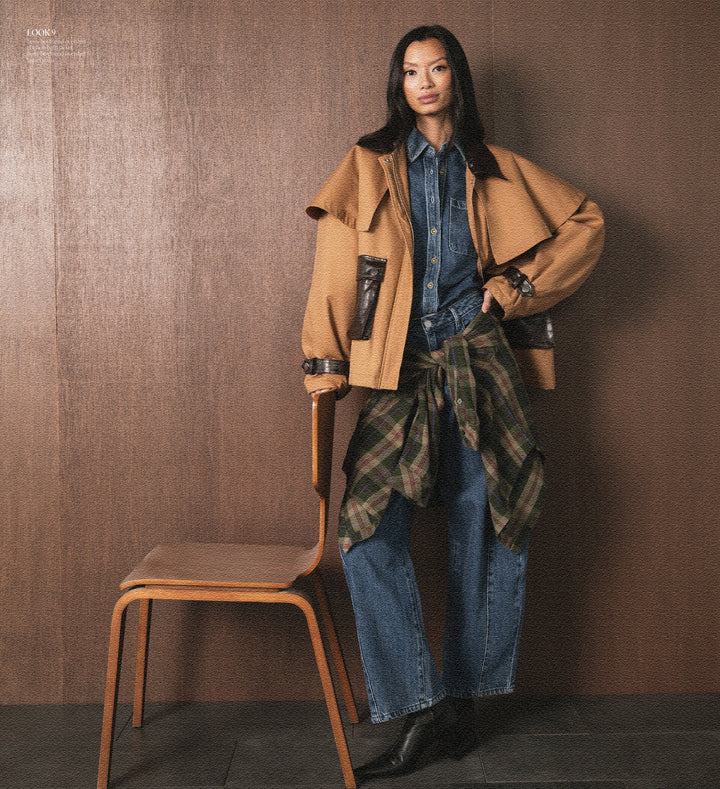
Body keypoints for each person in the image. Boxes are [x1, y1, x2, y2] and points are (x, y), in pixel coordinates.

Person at [301, 25, 604, 783]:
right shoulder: (369, 166)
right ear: (398, 85)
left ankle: (462, 706)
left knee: (488, 528)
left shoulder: (496, 169)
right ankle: (422, 702)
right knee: (365, 532)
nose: (424, 81)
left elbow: (586, 225)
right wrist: (324, 365)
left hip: (479, 364)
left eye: (437, 68)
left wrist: (509, 292)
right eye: (411, 70)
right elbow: (334, 270)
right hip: (398, 374)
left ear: (455, 79)